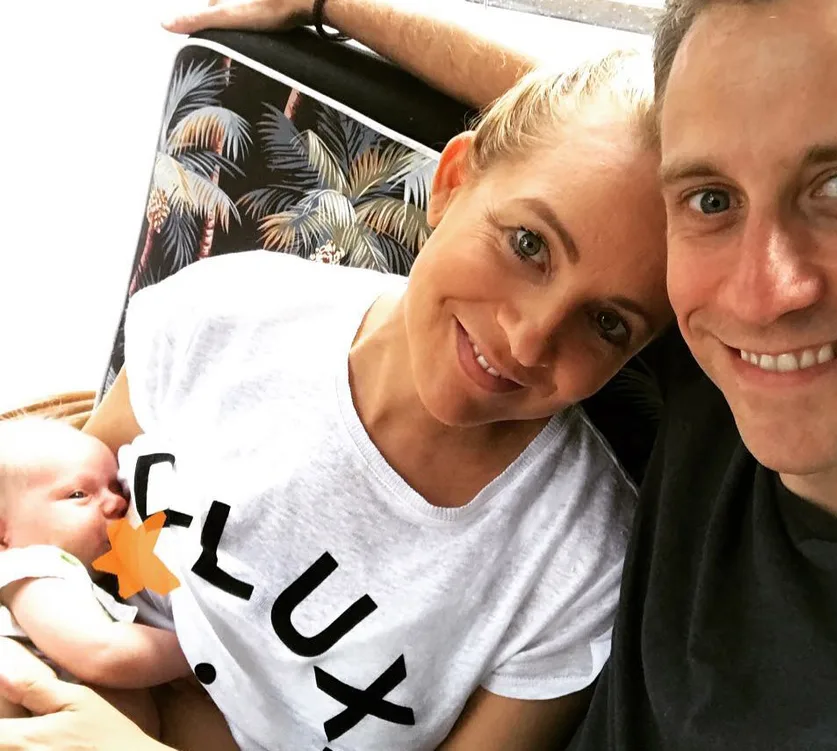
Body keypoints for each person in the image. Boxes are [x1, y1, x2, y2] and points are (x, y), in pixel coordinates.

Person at [0, 48, 672, 751]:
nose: (529, 339)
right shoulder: (221, 316)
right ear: (450, 182)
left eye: (607, 323)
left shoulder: (576, 572)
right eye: (527, 243)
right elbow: (57, 508)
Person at [0, 418, 192, 736]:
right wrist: (198, 649)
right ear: (2, 535)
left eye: (115, 487)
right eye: (79, 494)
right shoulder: (36, 567)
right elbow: (101, 652)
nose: (117, 502)